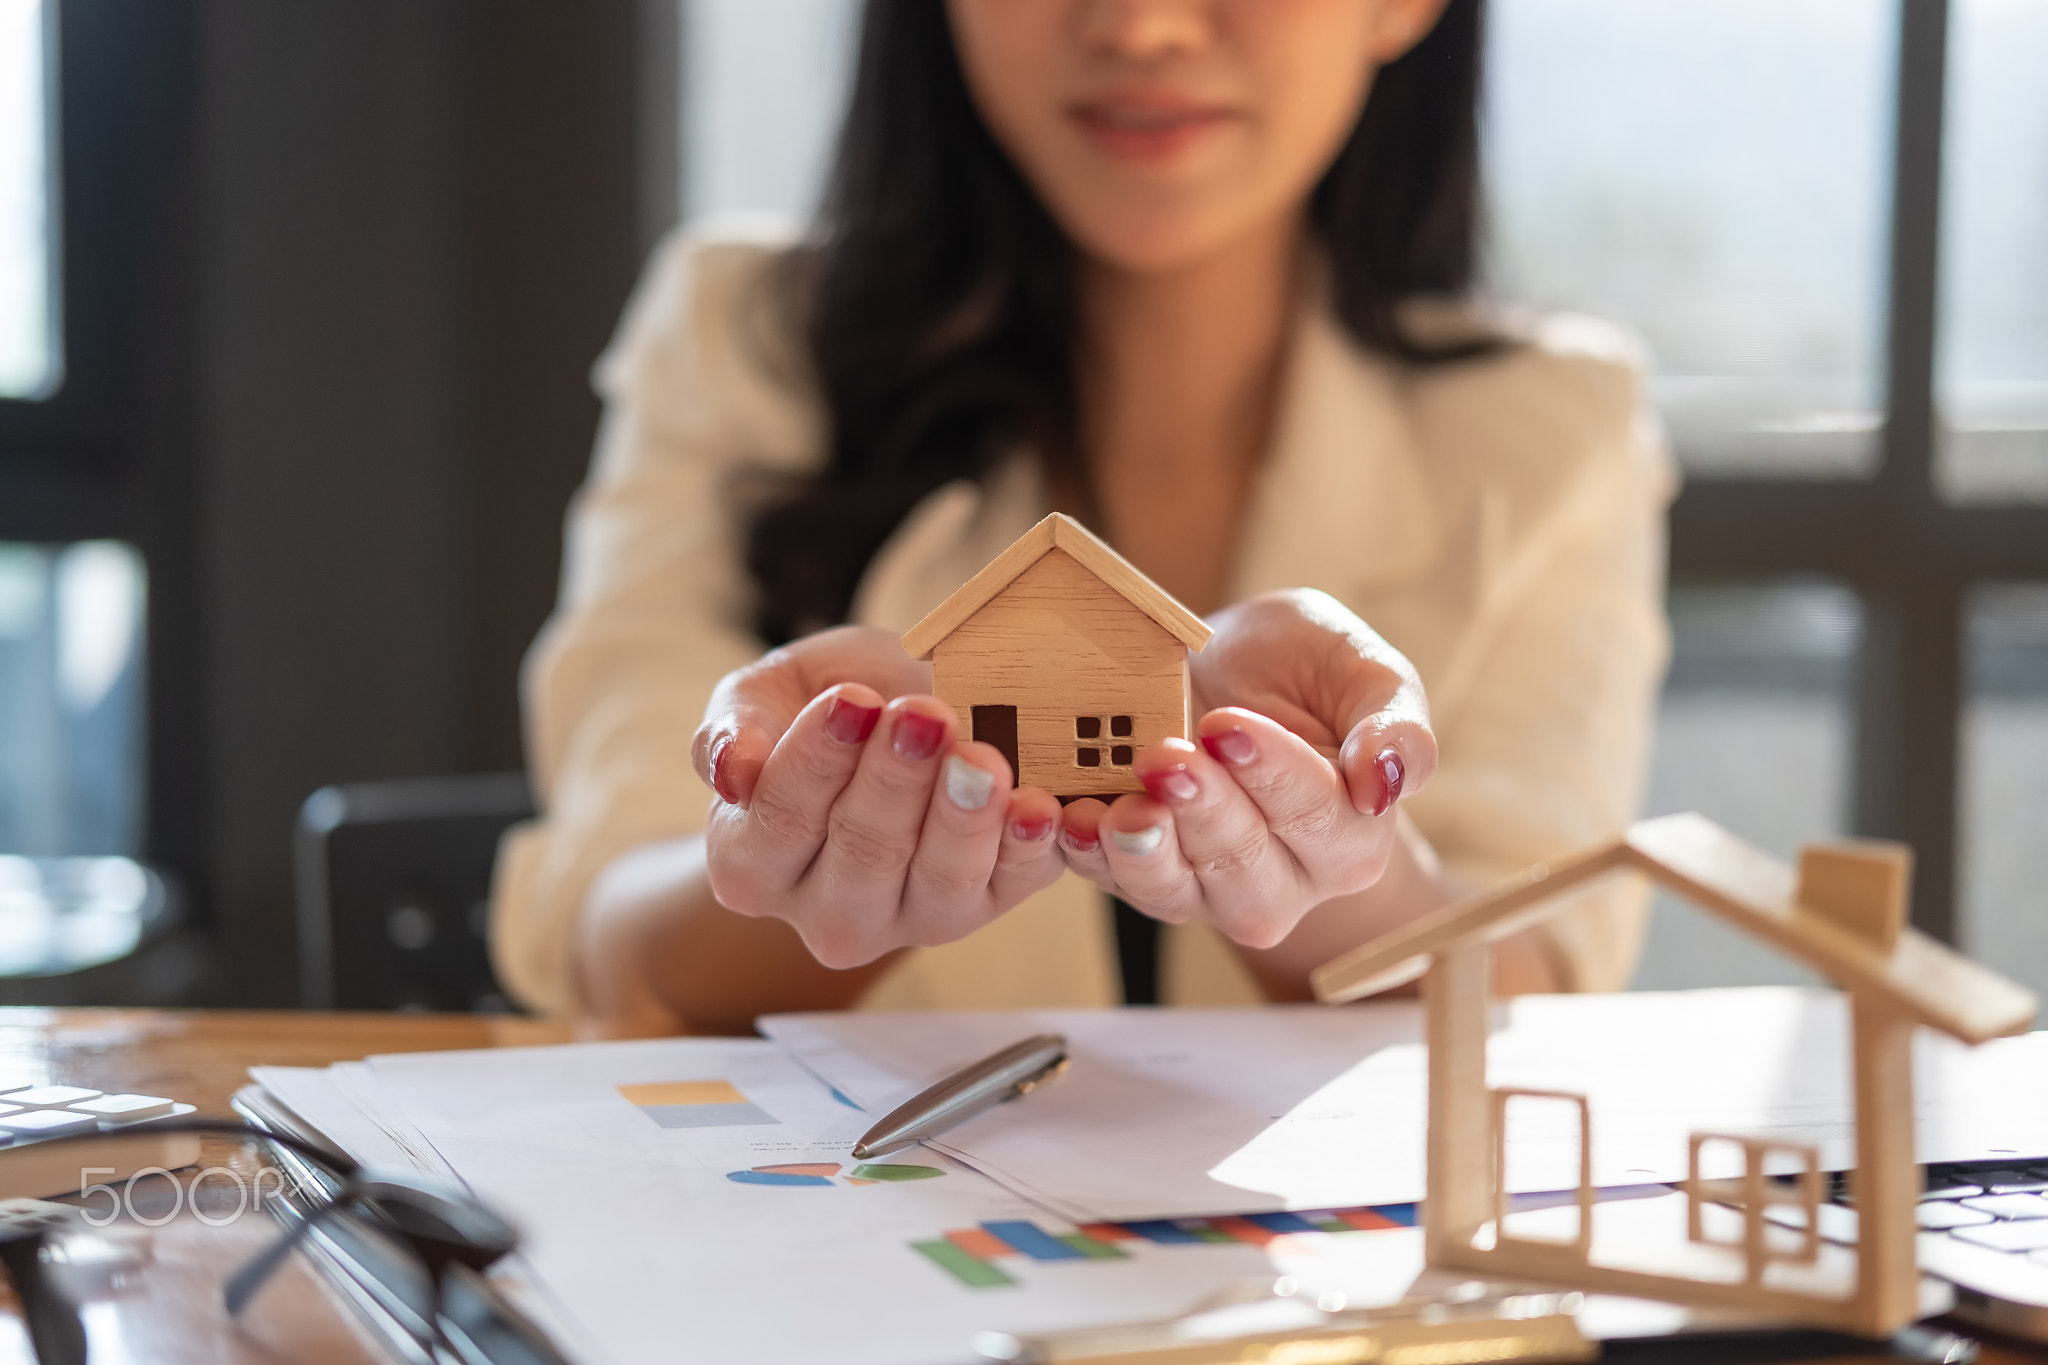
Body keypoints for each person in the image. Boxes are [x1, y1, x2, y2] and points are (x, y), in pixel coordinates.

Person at [491, 0, 1676, 1034]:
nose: (1141, 25)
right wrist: (812, 842)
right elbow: (609, 944)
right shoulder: (735, 336)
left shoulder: (1554, 425)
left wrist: (1342, 866)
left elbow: (1532, 987)